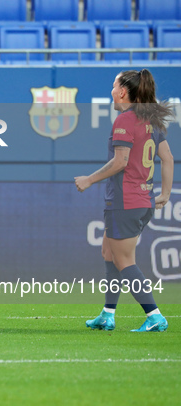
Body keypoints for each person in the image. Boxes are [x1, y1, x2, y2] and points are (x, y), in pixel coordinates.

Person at [75, 69, 174, 332]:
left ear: (122, 91)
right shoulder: (151, 120)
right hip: (142, 201)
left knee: (124, 261)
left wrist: (89, 179)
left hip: (125, 201)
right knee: (109, 253)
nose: (111, 91)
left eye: (113, 86)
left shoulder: (125, 120)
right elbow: (168, 158)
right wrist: (164, 194)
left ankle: (154, 316)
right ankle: (107, 314)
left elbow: (121, 161)